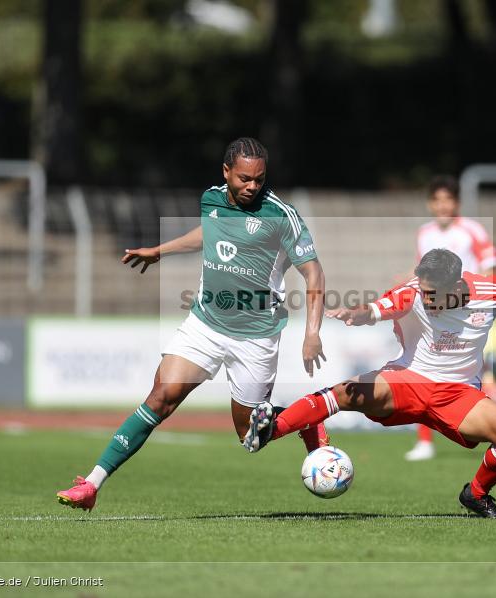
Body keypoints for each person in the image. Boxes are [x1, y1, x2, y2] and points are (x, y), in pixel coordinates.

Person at [57, 137, 329, 511]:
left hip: (256, 337)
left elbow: (313, 272)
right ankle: (91, 484)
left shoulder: (280, 214)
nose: (252, 186)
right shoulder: (211, 199)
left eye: (259, 179)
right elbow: (208, 234)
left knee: (249, 437)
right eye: (245, 178)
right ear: (226, 172)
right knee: (160, 398)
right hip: (206, 324)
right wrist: (160, 250)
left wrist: (312, 333)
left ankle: (306, 418)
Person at [243, 249, 496, 519]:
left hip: (458, 394)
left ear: (455, 285)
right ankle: (271, 430)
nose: (425, 298)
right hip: (408, 379)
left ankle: (476, 495)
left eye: (432, 294)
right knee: (344, 393)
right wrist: (357, 314)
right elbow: (377, 308)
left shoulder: (491, 291)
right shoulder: (412, 292)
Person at [406, 175, 496, 461]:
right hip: (435, 313)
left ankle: (488, 423)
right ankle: (425, 441)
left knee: (469, 372)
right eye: (437, 200)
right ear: (430, 203)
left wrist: (482, 301)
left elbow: (490, 268)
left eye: (448, 199)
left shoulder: (471, 230)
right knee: (424, 369)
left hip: (466, 312)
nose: (442, 205)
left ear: (456, 202)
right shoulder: (424, 233)